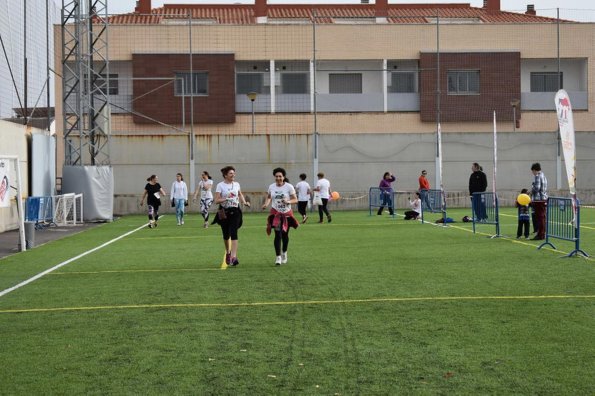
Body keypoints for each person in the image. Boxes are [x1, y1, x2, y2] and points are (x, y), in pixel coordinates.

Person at [213, 166, 251, 266]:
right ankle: (228, 253)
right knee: (226, 235)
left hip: (235, 211)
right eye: (231, 173)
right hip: (224, 213)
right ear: (225, 175)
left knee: (234, 232)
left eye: (234, 173)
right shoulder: (220, 185)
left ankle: (234, 257)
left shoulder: (237, 184)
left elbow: (240, 194)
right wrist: (226, 199)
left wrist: (244, 202)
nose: (233, 175)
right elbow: (216, 200)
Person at [262, 167, 299, 265]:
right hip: (276, 214)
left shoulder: (289, 187)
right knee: (277, 235)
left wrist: (288, 201)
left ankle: (284, 253)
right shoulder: (271, 187)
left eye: (280, 176)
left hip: (286, 214)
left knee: (285, 235)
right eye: (276, 176)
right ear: (274, 177)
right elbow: (269, 197)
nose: (278, 178)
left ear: (284, 177)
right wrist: (266, 204)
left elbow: (295, 199)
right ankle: (278, 257)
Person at [530, 162, 548, 240]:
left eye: (532, 171)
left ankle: (540, 234)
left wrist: (530, 191)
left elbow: (537, 188)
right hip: (543, 198)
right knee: (543, 217)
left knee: (539, 218)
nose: (533, 173)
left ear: (535, 170)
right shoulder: (543, 176)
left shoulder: (537, 176)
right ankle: (542, 233)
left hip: (538, 200)